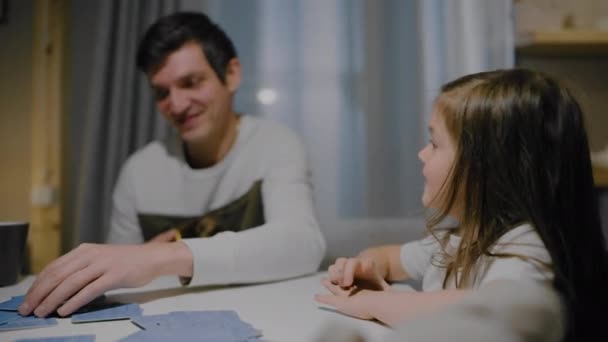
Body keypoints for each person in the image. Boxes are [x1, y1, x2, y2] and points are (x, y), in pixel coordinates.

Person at [19, 11, 325, 318]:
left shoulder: (276, 144)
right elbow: (117, 283)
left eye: (191, 82)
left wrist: (159, 257)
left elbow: (302, 244)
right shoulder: (139, 172)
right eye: (162, 93)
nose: (176, 105)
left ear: (231, 74)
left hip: (270, 319)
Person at [315, 69, 607, 341]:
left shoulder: (524, 247)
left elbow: (488, 309)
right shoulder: (457, 240)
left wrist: (374, 303)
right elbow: (389, 258)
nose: (422, 154)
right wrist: (365, 268)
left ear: (488, 168)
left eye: (435, 143)